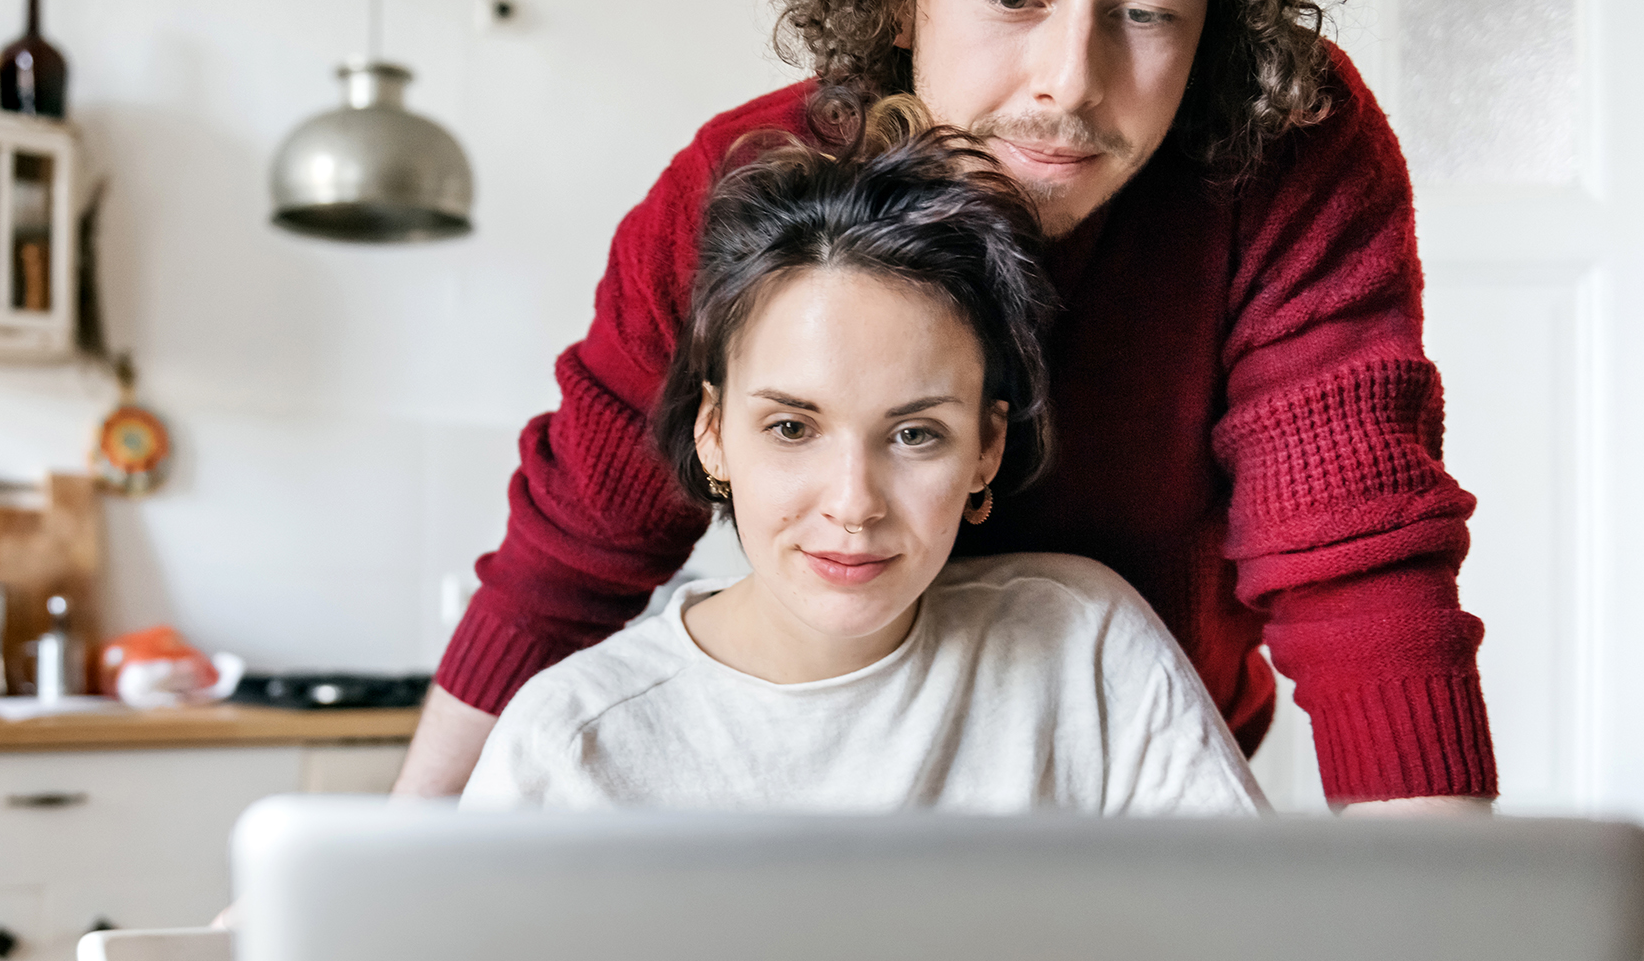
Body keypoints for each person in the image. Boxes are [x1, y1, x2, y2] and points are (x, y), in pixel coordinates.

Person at [400, 0, 1497, 814]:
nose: (1071, 81)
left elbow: (1361, 572)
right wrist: (406, 839)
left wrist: (1452, 916)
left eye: (1149, 11)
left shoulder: (1285, 161)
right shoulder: (748, 197)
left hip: (1119, 768)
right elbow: (568, 557)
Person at [460, 104, 1265, 814]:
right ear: (713, 433)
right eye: (791, 428)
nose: (853, 505)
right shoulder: (569, 748)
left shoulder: (1086, 646)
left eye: (915, 434)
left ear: (986, 447)